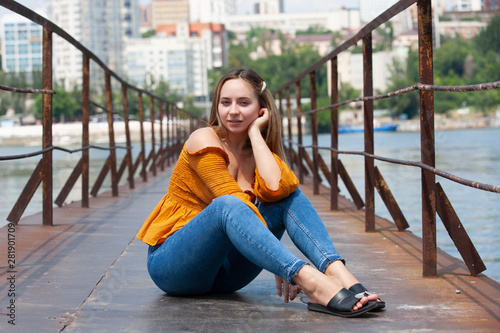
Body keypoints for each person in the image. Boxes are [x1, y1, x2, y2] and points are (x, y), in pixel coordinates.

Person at [136, 68, 384, 318]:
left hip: (226, 277)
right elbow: (234, 205)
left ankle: (339, 273)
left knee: (289, 196)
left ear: (261, 109)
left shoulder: (258, 153)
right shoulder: (203, 139)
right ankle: (312, 282)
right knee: (227, 205)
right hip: (174, 268)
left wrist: (255, 135)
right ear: (217, 106)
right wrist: (281, 261)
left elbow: (277, 189)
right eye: (225, 102)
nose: (233, 111)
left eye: (244, 103)